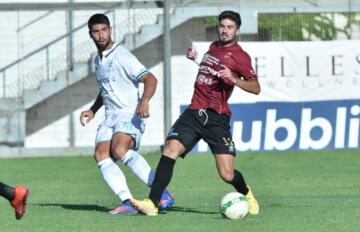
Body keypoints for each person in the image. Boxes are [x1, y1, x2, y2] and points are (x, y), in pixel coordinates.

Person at [130, 10, 261, 216]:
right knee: (169, 150)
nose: (224, 30)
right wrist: (196, 60)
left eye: (229, 27)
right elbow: (211, 73)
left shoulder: (240, 56)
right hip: (193, 112)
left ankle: (247, 193)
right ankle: (152, 203)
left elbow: (255, 87)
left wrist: (234, 79)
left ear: (237, 31)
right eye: (222, 26)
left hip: (217, 118)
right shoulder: (213, 47)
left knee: (227, 174)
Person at [80, 13, 174, 215]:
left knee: (119, 149)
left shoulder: (121, 55)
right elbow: (104, 89)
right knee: (101, 155)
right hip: (111, 116)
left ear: (110, 30)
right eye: (96, 32)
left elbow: (150, 79)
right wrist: (93, 110)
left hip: (129, 113)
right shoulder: (98, 60)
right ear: (91, 34)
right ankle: (128, 203)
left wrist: (144, 101)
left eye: (104, 30)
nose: (101, 35)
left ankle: (161, 193)